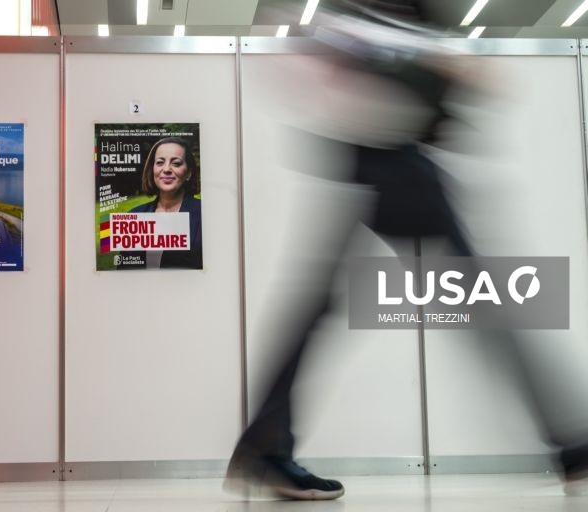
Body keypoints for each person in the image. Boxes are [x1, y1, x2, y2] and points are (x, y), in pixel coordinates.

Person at [224, 0, 588, 501]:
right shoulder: (363, 14)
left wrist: (438, 68)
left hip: (384, 157)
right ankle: (573, 440)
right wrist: (432, 66)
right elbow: (342, 47)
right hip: (385, 159)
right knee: (483, 301)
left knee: (327, 306)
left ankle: (265, 446)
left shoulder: (407, 12)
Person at [118, 137, 202, 269]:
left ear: (189, 173)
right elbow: (123, 271)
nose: (167, 169)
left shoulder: (205, 213)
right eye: (160, 162)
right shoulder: (134, 215)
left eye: (176, 163)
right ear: (152, 170)